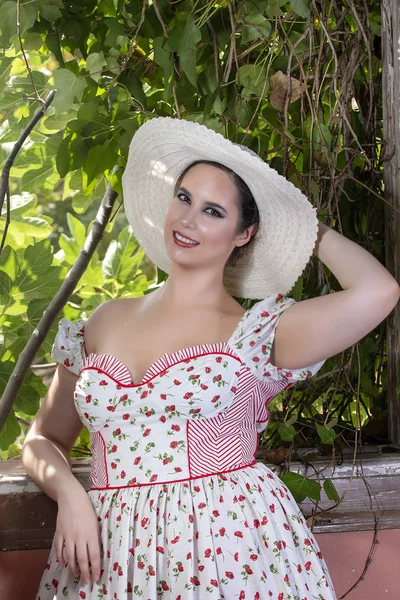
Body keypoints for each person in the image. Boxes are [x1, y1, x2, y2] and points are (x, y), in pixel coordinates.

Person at [23, 117, 399, 600]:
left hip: (224, 553)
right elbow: (42, 439)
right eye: (184, 198)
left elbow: (380, 291)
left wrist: (304, 224)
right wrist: (72, 496)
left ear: (244, 234)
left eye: (213, 211)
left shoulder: (258, 335)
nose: (188, 220)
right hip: (106, 558)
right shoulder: (102, 321)